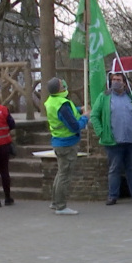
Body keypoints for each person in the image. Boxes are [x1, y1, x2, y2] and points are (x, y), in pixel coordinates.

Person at [91, 72, 132, 205]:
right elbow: (94, 116)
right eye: (113, 79)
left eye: (118, 79)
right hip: (113, 141)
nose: (115, 82)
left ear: (124, 82)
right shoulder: (104, 97)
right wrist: (101, 132)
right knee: (114, 169)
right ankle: (112, 196)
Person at [44, 77, 90, 215]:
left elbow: (68, 113)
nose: (65, 84)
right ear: (60, 88)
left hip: (59, 142)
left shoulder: (53, 101)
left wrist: (79, 109)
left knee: (60, 174)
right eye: (62, 84)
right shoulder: (62, 104)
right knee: (65, 175)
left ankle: (55, 202)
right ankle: (61, 206)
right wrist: (85, 117)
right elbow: (74, 126)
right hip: (67, 144)